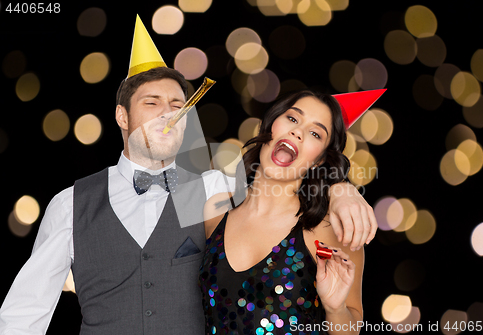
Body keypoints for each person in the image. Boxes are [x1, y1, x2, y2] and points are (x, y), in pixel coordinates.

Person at [0, 16, 376, 335]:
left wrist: (341, 188)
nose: (168, 114)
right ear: (122, 117)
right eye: (152, 103)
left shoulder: (210, 192)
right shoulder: (69, 205)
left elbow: (280, 188)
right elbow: (24, 313)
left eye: (179, 106)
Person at [200, 88, 385, 335]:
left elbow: (351, 328)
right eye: (293, 118)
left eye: (315, 133)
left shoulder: (330, 229)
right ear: (270, 125)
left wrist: (335, 308)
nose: (297, 132)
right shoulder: (214, 211)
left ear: (319, 159)